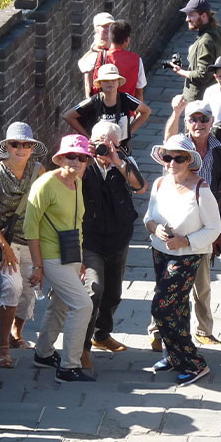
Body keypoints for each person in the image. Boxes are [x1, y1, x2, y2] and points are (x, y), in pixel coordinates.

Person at [144, 135, 221, 386]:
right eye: (168, 157)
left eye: (179, 158)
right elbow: (148, 219)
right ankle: (175, 355)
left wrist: (185, 241)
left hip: (186, 257)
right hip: (159, 252)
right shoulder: (159, 184)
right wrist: (156, 229)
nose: (172, 162)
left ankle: (194, 363)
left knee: (162, 308)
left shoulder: (201, 189)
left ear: (190, 161)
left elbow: (214, 229)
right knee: (177, 308)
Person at [25, 134, 95, 383]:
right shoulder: (45, 184)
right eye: (71, 156)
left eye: (82, 157)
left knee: (61, 305)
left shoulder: (77, 182)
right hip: (50, 257)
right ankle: (68, 367)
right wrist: (37, 265)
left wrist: (80, 258)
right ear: (60, 157)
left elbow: (77, 222)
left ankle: (43, 354)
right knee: (83, 305)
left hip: (70, 254)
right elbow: (30, 228)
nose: (76, 161)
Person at [163, 100, 221, 345]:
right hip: (177, 221)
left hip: (206, 225)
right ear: (187, 122)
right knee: (168, 282)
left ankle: (203, 330)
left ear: (212, 122)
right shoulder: (178, 146)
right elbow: (167, 138)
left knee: (202, 283)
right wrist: (176, 112)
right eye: (194, 119)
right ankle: (158, 330)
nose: (199, 124)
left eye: (204, 119)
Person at [81, 121, 147, 369]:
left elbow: (140, 187)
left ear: (117, 143)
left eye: (107, 141)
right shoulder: (83, 162)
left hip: (119, 238)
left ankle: (102, 334)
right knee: (94, 289)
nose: (102, 146)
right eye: (98, 140)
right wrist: (87, 156)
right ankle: (83, 348)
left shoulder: (125, 163)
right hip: (91, 240)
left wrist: (117, 161)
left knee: (114, 293)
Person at [0, 122, 47, 368]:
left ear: (32, 148)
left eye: (26, 144)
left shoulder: (39, 170)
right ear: (7, 147)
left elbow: (45, 208)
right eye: (15, 144)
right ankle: (3, 346)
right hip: (6, 241)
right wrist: (6, 250)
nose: (21, 149)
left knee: (29, 290)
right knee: (12, 287)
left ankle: (16, 332)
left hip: (32, 240)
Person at [63, 63, 151, 153]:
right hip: (98, 151)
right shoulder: (93, 101)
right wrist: (88, 137)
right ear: (100, 84)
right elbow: (68, 116)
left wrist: (129, 131)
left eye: (113, 80)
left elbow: (146, 111)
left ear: (118, 83)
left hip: (121, 149)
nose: (110, 83)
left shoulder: (125, 98)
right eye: (106, 80)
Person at [170, 0, 221, 102]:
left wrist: (181, 71)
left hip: (199, 100)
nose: (187, 19)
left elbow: (203, 74)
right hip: (212, 92)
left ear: (204, 16)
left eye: (191, 15)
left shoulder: (205, 41)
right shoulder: (218, 30)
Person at [91, 20, 147, 101]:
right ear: (127, 40)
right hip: (127, 110)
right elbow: (139, 91)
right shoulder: (137, 60)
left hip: (104, 109)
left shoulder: (101, 57)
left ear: (110, 37)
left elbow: (95, 87)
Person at [78, 12, 116, 97]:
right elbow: (84, 68)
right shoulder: (95, 51)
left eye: (110, 26)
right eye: (104, 26)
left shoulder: (117, 45)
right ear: (97, 29)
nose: (108, 29)